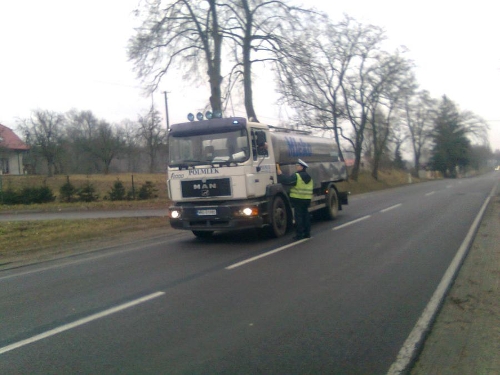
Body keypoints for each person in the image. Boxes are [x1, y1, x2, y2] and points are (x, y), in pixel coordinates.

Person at [277, 159, 313, 240]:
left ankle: (299, 235)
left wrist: (280, 175)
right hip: (307, 199)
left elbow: (287, 181)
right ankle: (307, 233)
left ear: (301, 167)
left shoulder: (297, 176)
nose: (296, 167)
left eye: (298, 166)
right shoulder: (309, 177)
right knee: (306, 216)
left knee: (298, 217)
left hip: (298, 199)